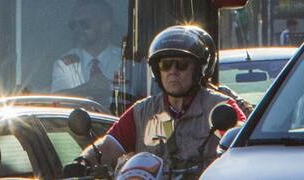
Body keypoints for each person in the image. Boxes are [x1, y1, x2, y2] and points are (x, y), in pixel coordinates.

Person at [79, 25, 245, 176]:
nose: (172, 71)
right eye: (165, 65)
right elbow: (109, 146)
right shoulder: (142, 112)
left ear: (198, 69)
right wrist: (82, 161)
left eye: (181, 65)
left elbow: (243, 143)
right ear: (157, 71)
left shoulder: (219, 106)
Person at [51, 0, 123, 101]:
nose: (77, 29)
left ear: (105, 26)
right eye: (73, 25)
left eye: (84, 23)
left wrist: (110, 88)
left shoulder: (126, 61)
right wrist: (86, 89)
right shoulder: (64, 64)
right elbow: (55, 101)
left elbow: (138, 99)